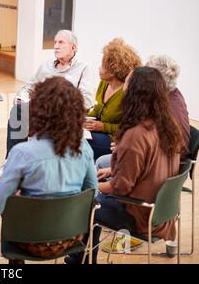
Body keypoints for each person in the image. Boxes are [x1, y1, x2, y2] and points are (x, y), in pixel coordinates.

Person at [0, 77, 98, 263]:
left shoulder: (23, 153)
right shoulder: (84, 149)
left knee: (4, 197)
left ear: (37, 111)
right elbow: (92, 194)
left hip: (27, 240)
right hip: (69, 238)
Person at [66, 67, 183, 264]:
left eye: (127, 84)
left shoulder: (136, 134)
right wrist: (113, 170)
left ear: (134, 92)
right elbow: (150, 165)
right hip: (161, 212)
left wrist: (85, 187)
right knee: (94, 189)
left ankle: (81, 261)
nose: (123, 89)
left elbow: (120, 188)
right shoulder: (167, 123)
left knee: (85, 202)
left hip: (140, 214)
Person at [0, 29, 94, 182]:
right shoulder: (45, 67)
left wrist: (62, 106)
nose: (56, 46)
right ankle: (10, 162)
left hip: (64, 116)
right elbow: (28, 88)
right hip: (41, 113)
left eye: (61, 42)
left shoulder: (83, 68)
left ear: (74, 48)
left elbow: (87, 100)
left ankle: (35, 166)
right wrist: (21, 98)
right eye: (55, 42)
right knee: (18, 111)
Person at [85, 38, 141, 160]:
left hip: (115, 140)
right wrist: (85, 118)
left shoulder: (127, 93)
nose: (99, 68)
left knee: (79, 144)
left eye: (103, 65)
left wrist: (103, 127)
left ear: (114, 70)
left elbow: (131, 127)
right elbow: (98, 109)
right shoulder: (104, 83)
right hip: (99, 131)